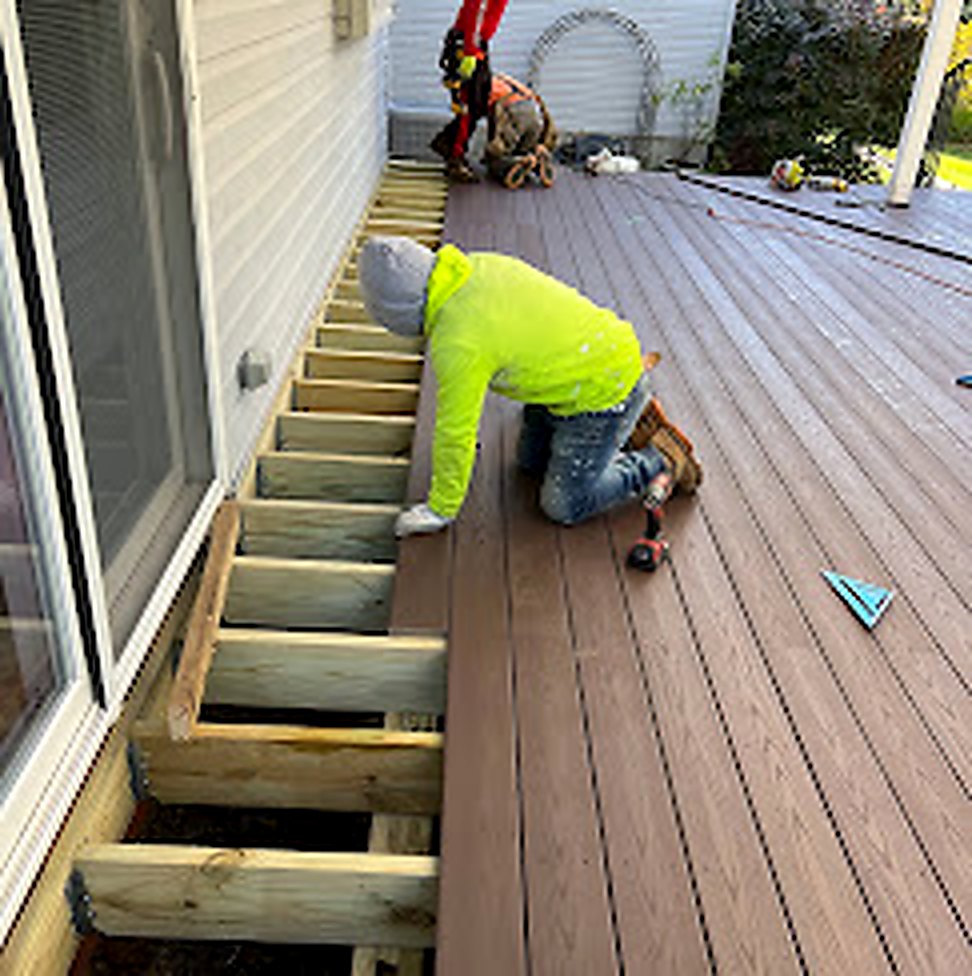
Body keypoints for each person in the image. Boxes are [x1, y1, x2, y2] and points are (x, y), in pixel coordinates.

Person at [357, 236, 702, 538]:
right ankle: (625, 415)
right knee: (529, 464)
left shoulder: (458, 341)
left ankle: (659, 457)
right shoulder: (476, 265)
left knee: (564, 505)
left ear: (399, 314)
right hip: (582, 368)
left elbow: (455, 432)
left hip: (603, 392)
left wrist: (441, 509)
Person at [430, 0, 509, 182]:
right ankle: (455, 158)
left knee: (479, 105)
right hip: (468, 47)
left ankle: (448, 145)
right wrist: (470, 52)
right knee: (469, 106)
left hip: (475, 44)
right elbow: (476, 10)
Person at [483, 72, 557, 189]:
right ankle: (538, 156)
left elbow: (492, 121)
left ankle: (516, 164)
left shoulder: (483, 87)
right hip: (534, 110)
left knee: (495, 159)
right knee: (523, 150)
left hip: (514, 112)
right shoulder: (504, 79)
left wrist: (491, 150)